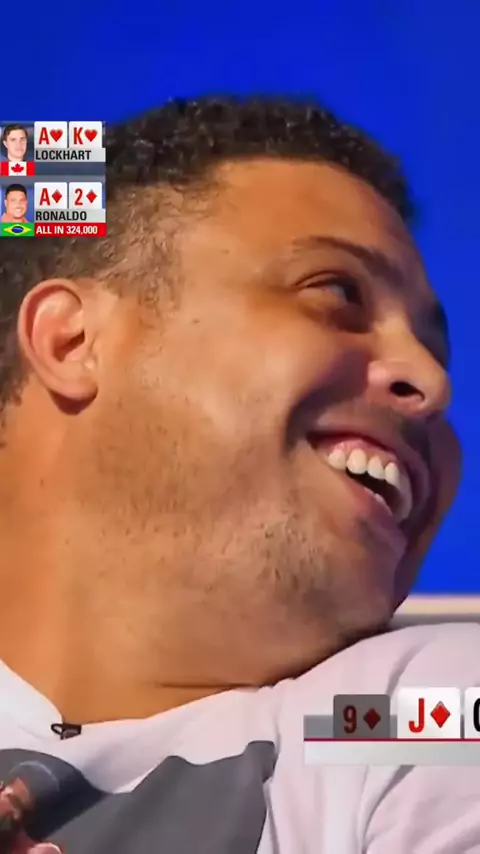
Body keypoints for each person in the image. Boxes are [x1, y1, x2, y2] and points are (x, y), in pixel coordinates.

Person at [0, 95, 478, 852]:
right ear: (71, 341)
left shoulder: (411, 712)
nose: (432, 382)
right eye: (338, 292)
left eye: (437, 351)